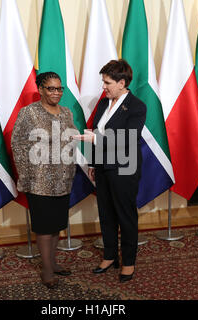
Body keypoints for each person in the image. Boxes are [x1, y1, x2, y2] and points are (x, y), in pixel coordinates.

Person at [73, 59, 146, 282]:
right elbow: (97, 130)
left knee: (125, 215)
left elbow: (128, 138)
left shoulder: (136, 106)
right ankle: (110, 255)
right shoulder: (104, 104)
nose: (103, 87)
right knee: (106, 213)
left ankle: (129, 261)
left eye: (107, 82)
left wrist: (95, 138)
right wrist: (93, 164)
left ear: (122, 83)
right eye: (103, 82)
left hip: (124, 168)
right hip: (104, 168)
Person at [11, 72, 78, 289]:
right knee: (44, 227)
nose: (56, 93)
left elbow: (72, 139)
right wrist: (27, 174)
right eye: (51, 88)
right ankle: (47, 270)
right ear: (40, 89)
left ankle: (53, 262)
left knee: (57, 225)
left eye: (59, 89)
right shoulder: (29, 113)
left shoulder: (67, 113)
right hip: (39, 181)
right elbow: (18, 144)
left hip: (63, 179)